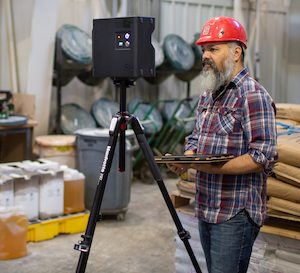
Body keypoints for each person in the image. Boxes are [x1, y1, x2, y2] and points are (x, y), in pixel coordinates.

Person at [167, 16, 277, 273]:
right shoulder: (209, 93)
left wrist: (210, 167)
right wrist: (187, 159)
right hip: (206, 205)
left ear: (236, 52)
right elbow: (196, 136)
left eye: (213, 49)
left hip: (235, 212)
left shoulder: (253, 95)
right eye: (204, 49)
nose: (205, 55)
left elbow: (264, 155)